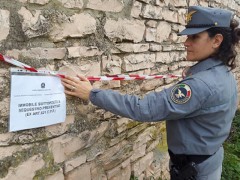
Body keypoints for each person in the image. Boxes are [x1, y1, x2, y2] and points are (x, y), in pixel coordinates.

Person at [61, 6, 240, 180]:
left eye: (194, 37)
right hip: (209, 161)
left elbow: (144, 109)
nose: (186, 42)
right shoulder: (223, 73)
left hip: (192, 172)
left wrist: (92, 94)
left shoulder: (200, 85)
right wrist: (195, 73)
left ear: (217, 40)